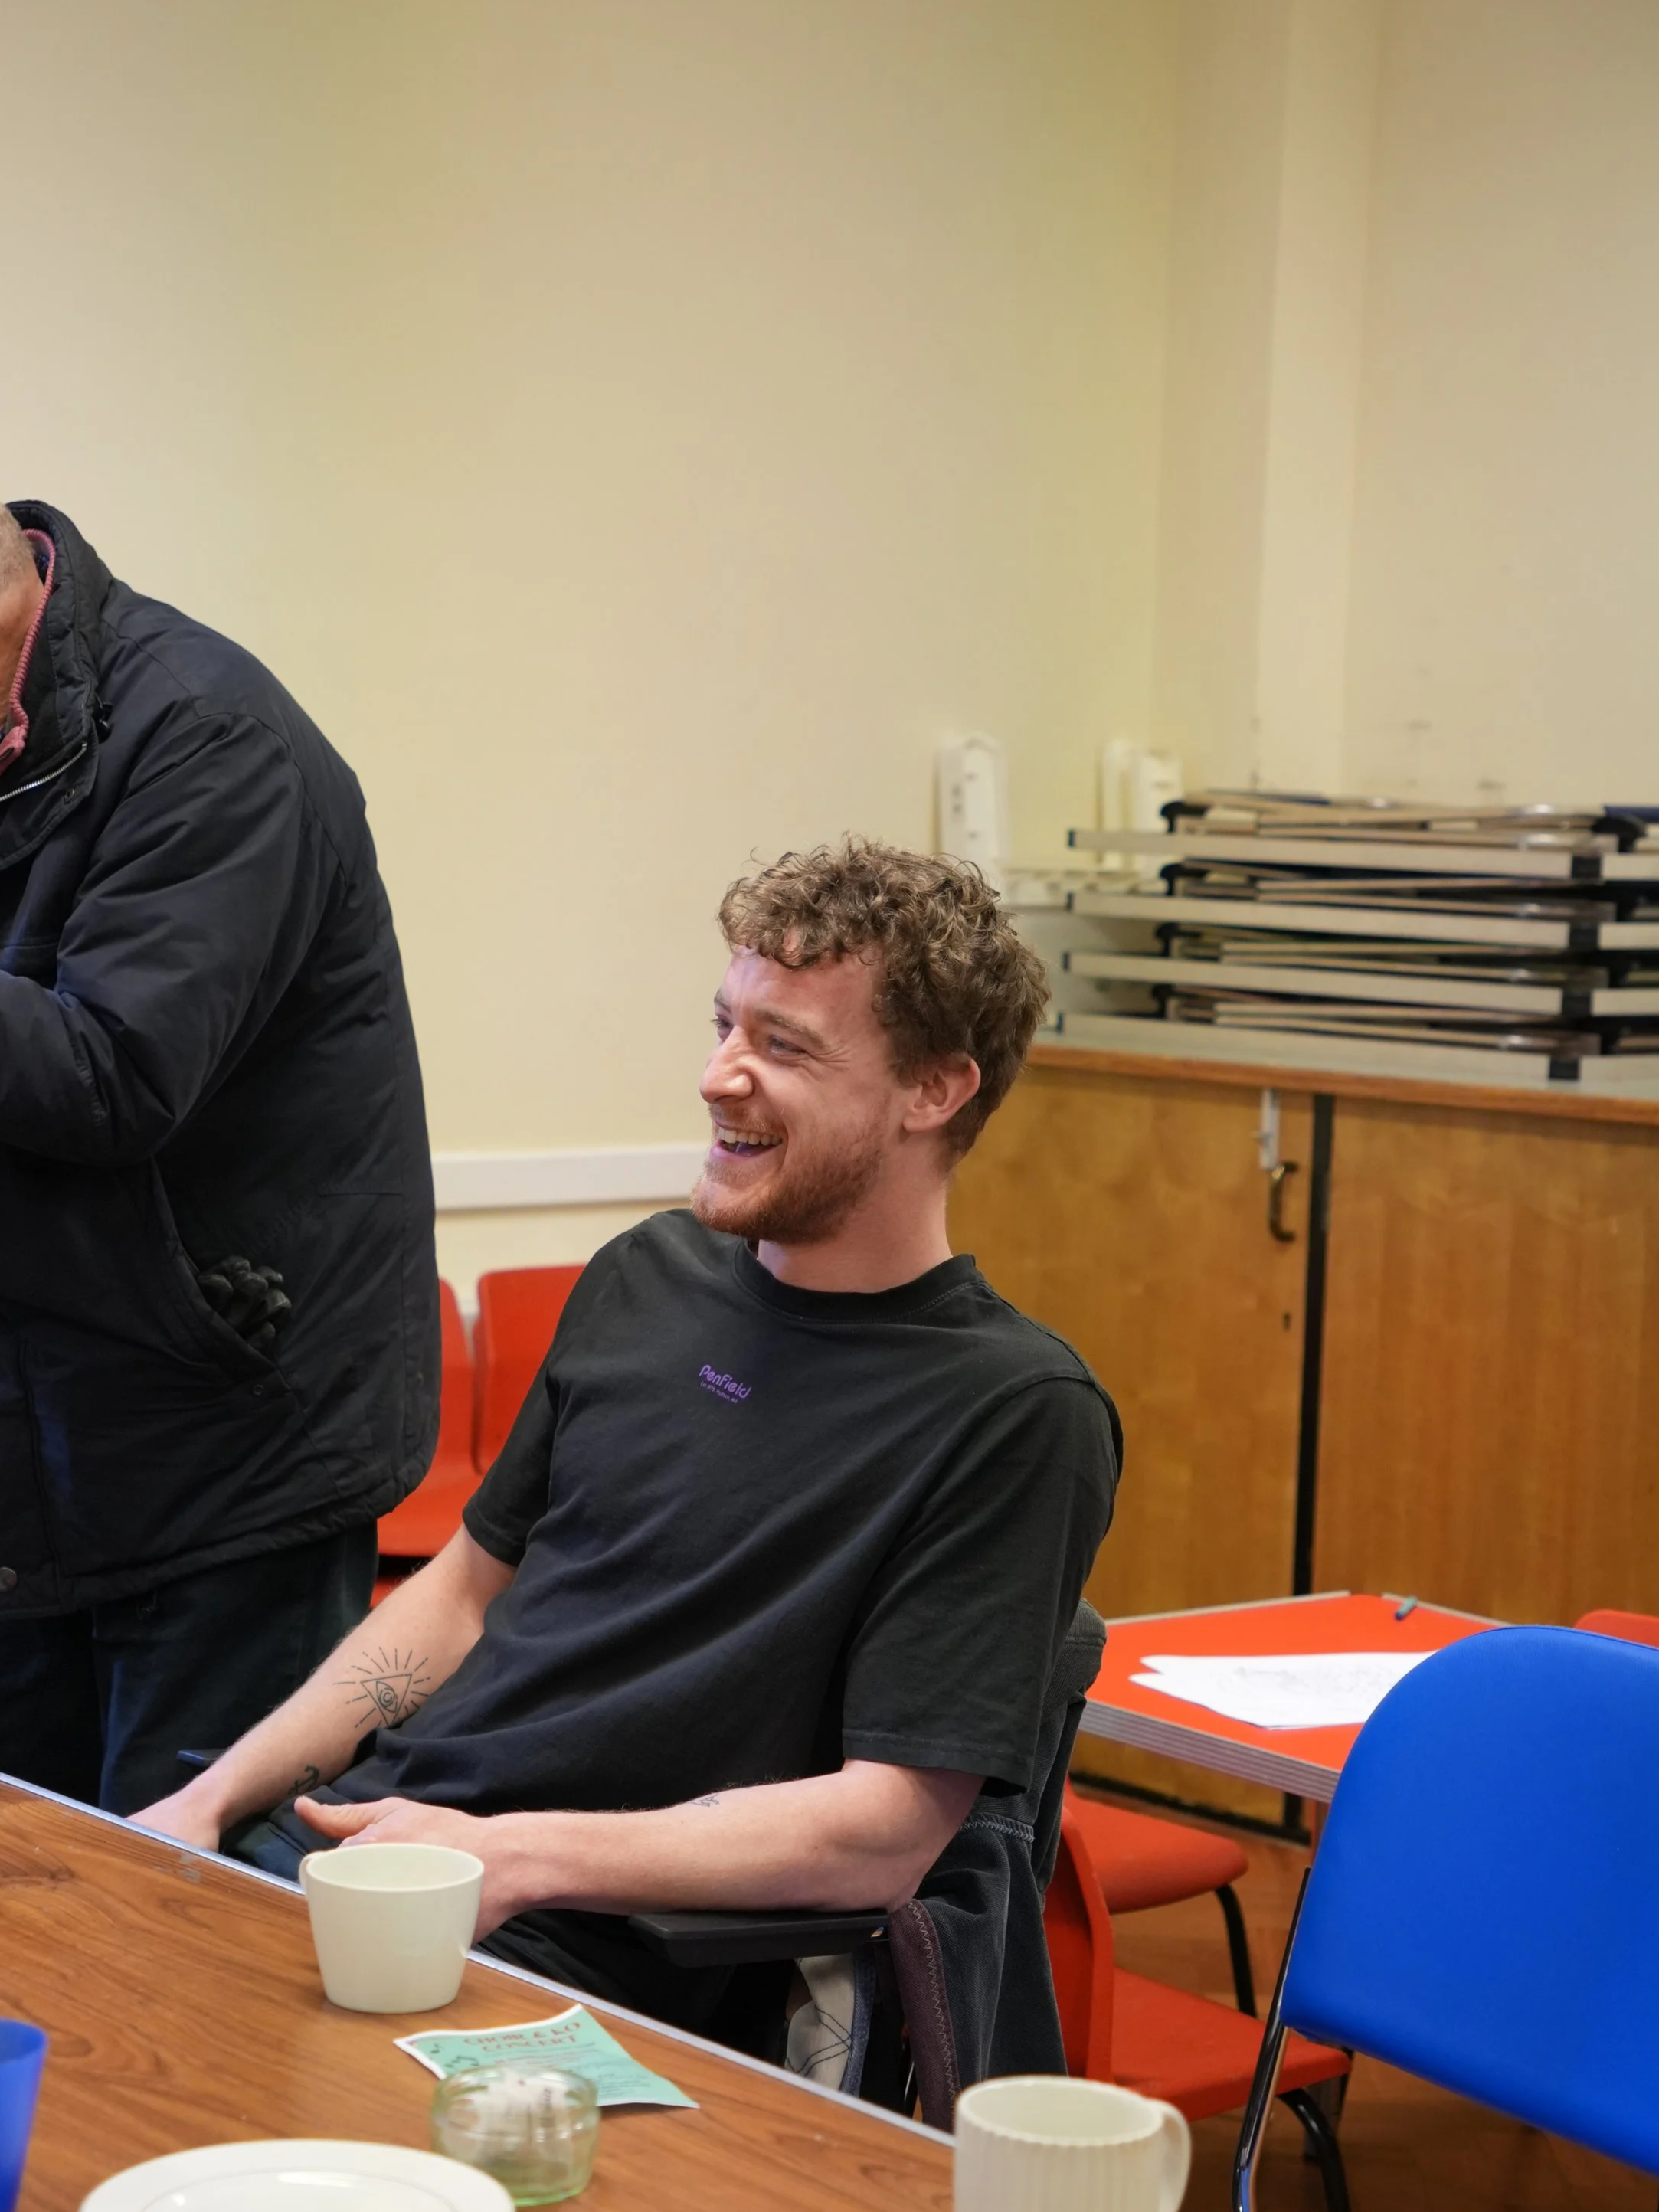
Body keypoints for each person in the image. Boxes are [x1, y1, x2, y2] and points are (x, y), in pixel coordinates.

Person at [137, 839, 1119, 2040]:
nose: (720, 1077)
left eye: (785, 1047)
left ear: (934, 1092)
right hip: (366, 1853)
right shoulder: (643, 1275)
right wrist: (211, 1797)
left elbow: (884, 1831)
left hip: (573, 1947)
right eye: (725, 1026)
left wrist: (514, 1857)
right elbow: (461, 1593)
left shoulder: (1014, 1410)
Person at [0, 500, 438, 1816]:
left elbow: (113, 1074)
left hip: (228, 1440)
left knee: (195, 1941)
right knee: (39, 1915)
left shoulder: (206, 733)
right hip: (50, 1427)